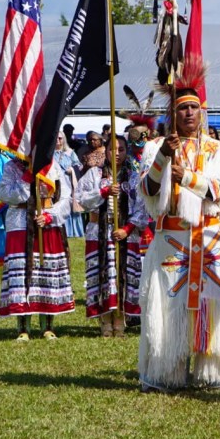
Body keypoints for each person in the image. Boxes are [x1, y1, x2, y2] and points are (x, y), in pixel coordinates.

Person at [137, 77, 220, 393]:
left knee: (214, 302)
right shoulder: (155, 147)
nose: (190, 113)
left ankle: (215, 373)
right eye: (183, 108)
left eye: (195, 107)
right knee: (170, 305)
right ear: (173, 113)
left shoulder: (217, 149)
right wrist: (163, 159)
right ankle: (166, 372)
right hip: (172, 240)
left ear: (202, 112)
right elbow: (147, 189)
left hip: (208, 237)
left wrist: (188, 178)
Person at [76, 135, 150, 337]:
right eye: (112, 149)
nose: (117, 153)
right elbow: (81, 199)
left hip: (125, 234)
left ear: (127, 151)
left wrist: (127, 228)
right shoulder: (94, 174)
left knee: (122, 276)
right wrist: (103, 192)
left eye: (121, 149)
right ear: (105, 151)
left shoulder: (133, 178)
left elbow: (142, 208)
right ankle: (105, 320)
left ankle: (120, 320)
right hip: (99, 232)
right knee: (103, 275)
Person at [0, 155, 74, 340]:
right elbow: (4, 194)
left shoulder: (53, 166)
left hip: (46, 222)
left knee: (46, 271)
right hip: (20, 224)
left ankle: (47, 326)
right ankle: (23, 328)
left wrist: (50, 216)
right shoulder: (11, 167)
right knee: (22, 274)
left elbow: (65, 198)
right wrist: (27, 178)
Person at [54, 133, 84, 239]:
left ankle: (73, 231)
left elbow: (79, 166)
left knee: (69, 204)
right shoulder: (49, 153)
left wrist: (72, 170)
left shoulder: (70, 152)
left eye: (60, 138)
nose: (58, 140)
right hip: (55, 183)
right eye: (56, 138)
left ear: (64, 139)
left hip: (69, 182)